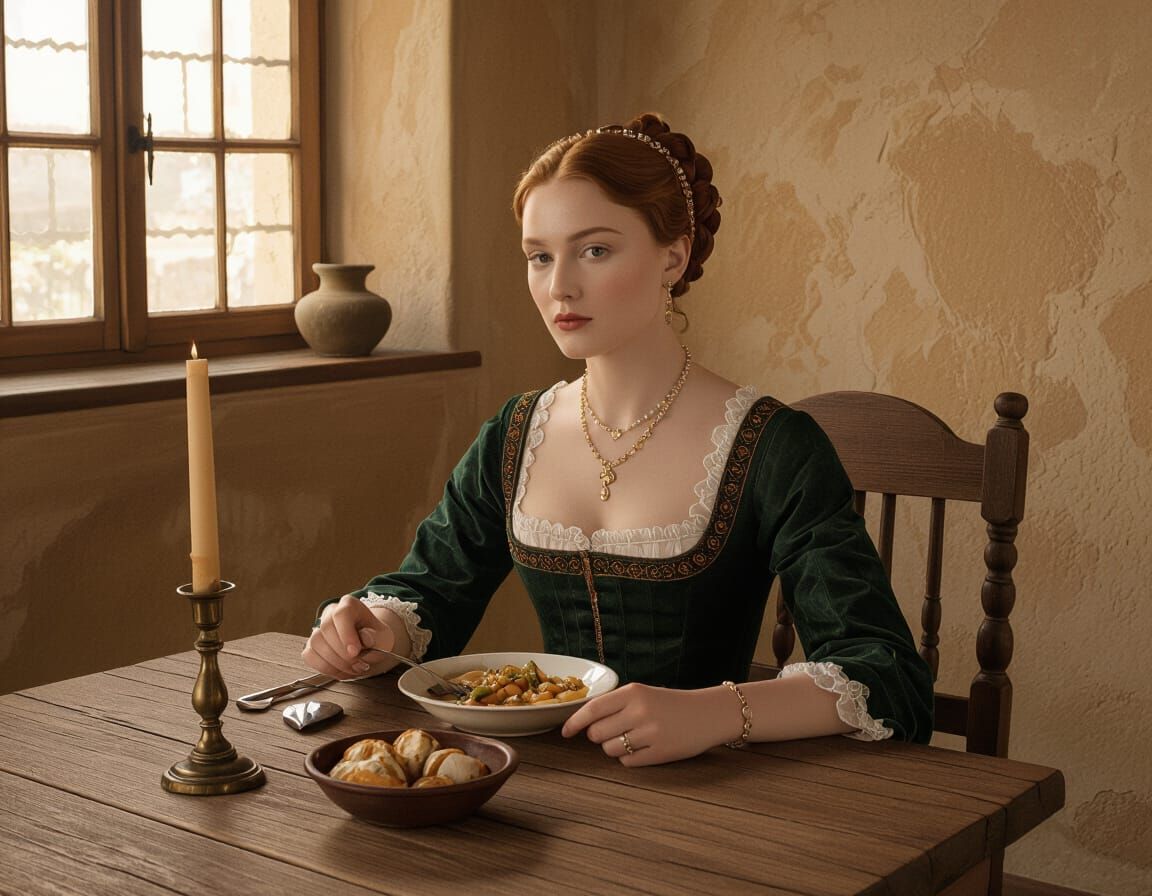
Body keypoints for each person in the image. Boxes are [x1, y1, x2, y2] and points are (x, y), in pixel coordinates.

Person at [303, 113, 933, 766]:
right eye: (539, 256)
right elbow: (430, 592)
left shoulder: (773, 446)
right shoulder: (516, 434)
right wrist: (370, 632)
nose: (559, 286)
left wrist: (717, 711)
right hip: (539, 789)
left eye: (595, 250)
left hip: (714, 791)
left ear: (674, 255)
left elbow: (885, 672)